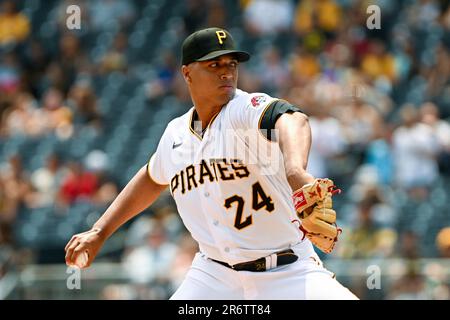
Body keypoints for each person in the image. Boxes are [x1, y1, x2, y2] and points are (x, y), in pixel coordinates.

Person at [65, 27, 358, 300]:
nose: (226, 73)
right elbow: (153, 177)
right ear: (187, 73)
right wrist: (100, 230)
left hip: (287, 270)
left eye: (231, 64)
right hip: (214, 275)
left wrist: (295, 170)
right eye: (213, 65)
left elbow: (293, 119)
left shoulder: (242, 110)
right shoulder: (176, 135)